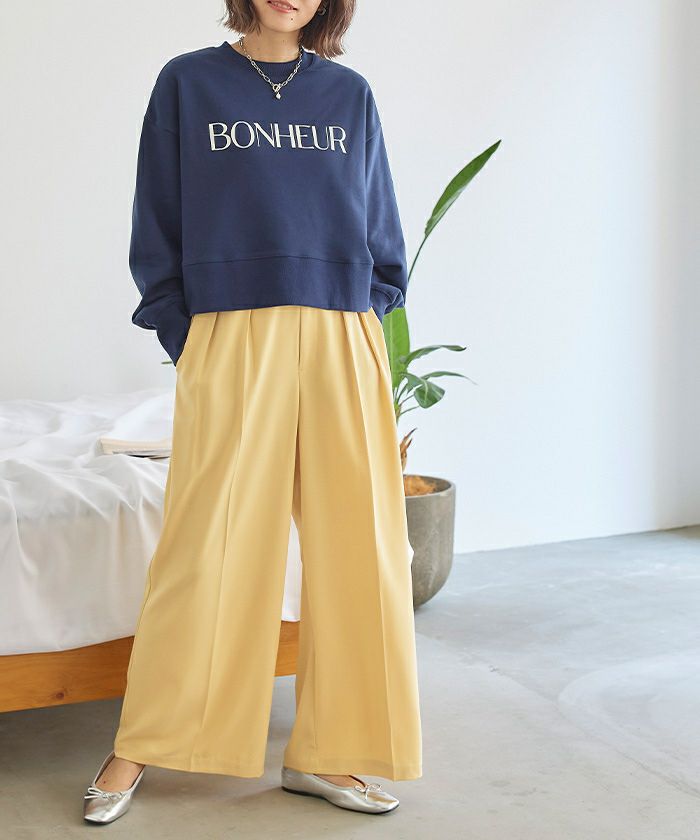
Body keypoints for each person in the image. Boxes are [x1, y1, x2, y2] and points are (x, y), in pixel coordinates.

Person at [82, 0, 422, 824]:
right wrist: (188, 332)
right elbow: (156, 219)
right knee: (209, 541)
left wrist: (370, 310)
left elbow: (379, 222)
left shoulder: (348, 94)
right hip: (230, 330)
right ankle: (143, 743)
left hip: (342, 330)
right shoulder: (189, 83)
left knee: (362, 548)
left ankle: (332, 752)